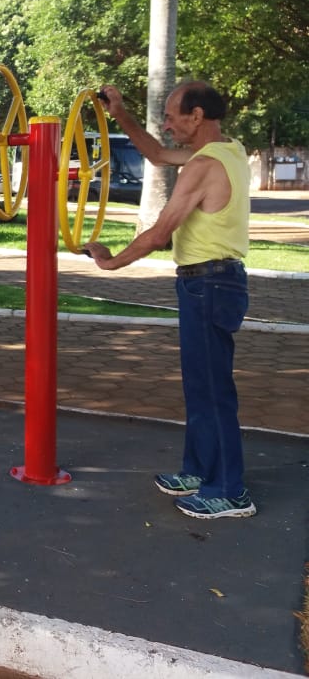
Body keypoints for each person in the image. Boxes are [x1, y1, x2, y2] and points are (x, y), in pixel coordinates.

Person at [84, 82, 255, 519]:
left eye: (171, 116)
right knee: (200, 386)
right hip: (211, 282)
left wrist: (110, 262)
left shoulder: (203, 166)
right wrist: (119, 113)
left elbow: (160, 234)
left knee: (213, 391)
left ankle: (230, 491)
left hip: (210, 284)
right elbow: (159, 155)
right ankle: (199, 471)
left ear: (197, 116)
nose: (166, 124)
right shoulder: (229, 150)